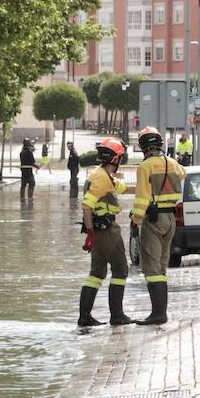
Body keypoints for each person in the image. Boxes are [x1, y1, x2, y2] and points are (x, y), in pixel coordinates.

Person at [131, 126, 187, 325]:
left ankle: (157, 314)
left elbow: (142, 198)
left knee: (152, 268)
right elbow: (183, 173)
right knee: (162, 267)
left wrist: (135, 220)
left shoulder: (145, 167)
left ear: (143, 146)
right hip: (170, 218)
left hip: (153, 220)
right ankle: (161, 312)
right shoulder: (171, 163)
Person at [78, 138, 132, 326]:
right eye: (120, 158)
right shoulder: (101, 178)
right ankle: (117, 315)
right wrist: (91, 231)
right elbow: (87, 205)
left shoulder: (99, 175)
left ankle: (85, 317)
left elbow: (120, 187)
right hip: (107, 231)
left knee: (97, 274)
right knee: (121, 269)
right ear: (115, 159)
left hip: (99, 231)